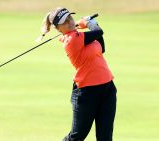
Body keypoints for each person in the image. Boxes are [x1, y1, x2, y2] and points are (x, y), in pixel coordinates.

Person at [40, 7, 117, 141]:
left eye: (70, 18)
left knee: (105, 137)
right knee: (77, 136)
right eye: (64, 22)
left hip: (107, 89)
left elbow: (101, 47)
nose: (69, 22)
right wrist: (88, 23)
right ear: (58, 29)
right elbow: (99, 32)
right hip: (87, 93)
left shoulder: (80, 36)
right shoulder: (71, 40)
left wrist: (89, 24)